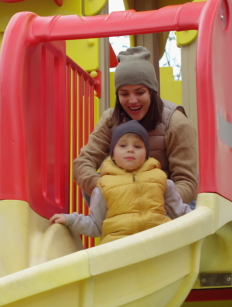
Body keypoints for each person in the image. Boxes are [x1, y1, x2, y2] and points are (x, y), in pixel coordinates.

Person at [73, 46, 198, 206]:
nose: (132, 100)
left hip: (164, 203)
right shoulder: (111, 120)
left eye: (140, 92)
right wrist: (111, 190)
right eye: (124, 94)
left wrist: (150, 200)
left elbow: (187, 182)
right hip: (123, 199)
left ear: (152, 92)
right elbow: (83, 163)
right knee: (94, 183)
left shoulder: (176, 123)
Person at [49, 120, 190, 244]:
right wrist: (70, 220)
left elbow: (181, 213)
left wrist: (203, 216)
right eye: (123, 146)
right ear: (113, 155)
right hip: (118, 249)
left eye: (137, 146)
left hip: (159, 242)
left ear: (146, 154)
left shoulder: (161, 180)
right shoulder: (104, 186)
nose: (130, 150)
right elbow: (95, 226)